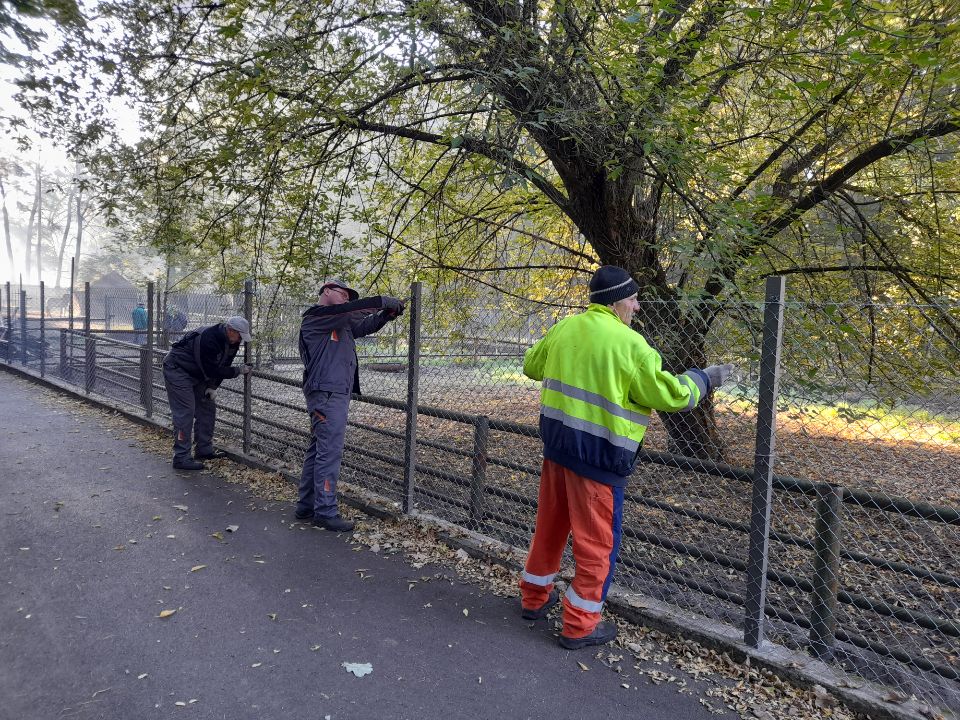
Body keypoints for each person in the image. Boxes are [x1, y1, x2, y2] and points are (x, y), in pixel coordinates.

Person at [519, 265, 735, 650]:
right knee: (596, 544)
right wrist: (705, 378)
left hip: (557, 452)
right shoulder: (632, 346)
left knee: (549, 529)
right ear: (618, 301)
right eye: (633, 300)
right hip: (598, 462)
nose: (636, 307)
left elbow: (532, 365)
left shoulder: (565, 328)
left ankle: (533, 600)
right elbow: (671, 396)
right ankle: (580, 625)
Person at [296, 280, 404, 531]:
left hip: (332, 392)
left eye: (349, 295)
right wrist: (381, 301)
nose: (346, 298)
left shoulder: (337, 323)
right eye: (342, 293)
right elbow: (351, 312)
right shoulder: (318, 316)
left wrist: (386, 316)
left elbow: (362, 325)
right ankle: (324, 511)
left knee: (319, 449)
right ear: (325, 292)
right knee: (329, 452)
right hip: (328, 393)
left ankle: (307, 504)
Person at [162, 316, 253, 470]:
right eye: (239, 336)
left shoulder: (233, 341)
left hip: (197, 373)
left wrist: (213, 387)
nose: (240, 341)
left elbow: (225, 364)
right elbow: (212, 369)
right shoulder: (209, 339)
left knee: (207, 407)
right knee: (185, 412)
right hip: (178, 370)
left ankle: (204, 449)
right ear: (230, 330)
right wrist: (238, 371)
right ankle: (181, 457)